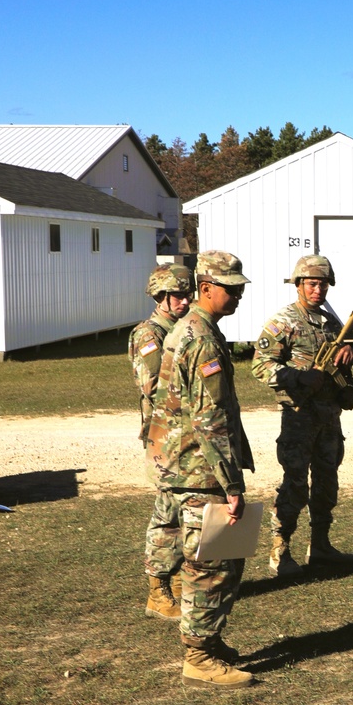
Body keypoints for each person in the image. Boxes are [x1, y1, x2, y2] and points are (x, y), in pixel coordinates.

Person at [147, 251, 255, 688]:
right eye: (230, 288)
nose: (238, 295)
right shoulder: (202, 338)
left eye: (241, 287)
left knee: (206, 558)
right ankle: (199, 655)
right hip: (201, 470)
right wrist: (231, 485)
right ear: (205, 286)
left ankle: (208, 643)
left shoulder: (186, 329)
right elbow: (211, 420)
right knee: (213, 563)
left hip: (181, 464)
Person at [251, 254, 353, 577]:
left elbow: (342, 367)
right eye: (312, 283)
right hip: (299, 418)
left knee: (327, 483)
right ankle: (280, 551)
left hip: (329, 419)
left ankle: (321, 546)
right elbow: (260, 365)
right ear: (298, 284)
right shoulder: (283, 322)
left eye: (323, 283)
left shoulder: (330, 323)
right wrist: (297, 377)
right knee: (295, 485)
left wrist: (347, 355)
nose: (318, 289)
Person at [129, 265, 194, 619]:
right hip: (164, 437)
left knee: (188, 510)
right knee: (167, 513)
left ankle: (184, 582)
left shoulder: (185, 329)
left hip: (185, 435)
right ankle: (158, 588)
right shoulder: (149, 334)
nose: (185, 301)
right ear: (160, 297)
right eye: (178, 296)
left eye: (188, 295)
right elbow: (154, 384)